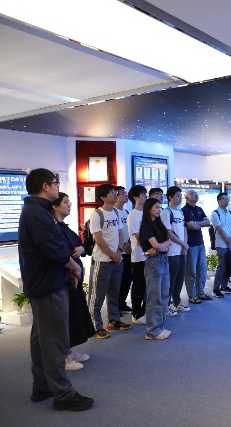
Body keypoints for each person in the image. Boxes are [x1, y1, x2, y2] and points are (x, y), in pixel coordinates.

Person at [18, 168, 94, 411]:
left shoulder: (37, 211)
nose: (57, 187)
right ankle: (63, 394)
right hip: (48, 285)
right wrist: (75, 267)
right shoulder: (37, 213)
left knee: (42, 338)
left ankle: (42, 386)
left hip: (46, 282)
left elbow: (55, 246)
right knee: (55, 341)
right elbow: (53, 248)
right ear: (45, 186)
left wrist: (69, 268)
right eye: (55, 183)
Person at [52, 192, 96, 371]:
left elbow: (82, 245)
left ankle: (68, 350)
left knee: (74, 315)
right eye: (65, 202)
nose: (69, 205)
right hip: (65, 278)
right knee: (64, 318)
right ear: (55, 206)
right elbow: (59, 253)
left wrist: (81, 248)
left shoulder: (65, 228)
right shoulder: (53, 228)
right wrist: (74, 269)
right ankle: (63, 356)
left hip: (74, 279)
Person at [87, 183, 131, 339]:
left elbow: (120, 233)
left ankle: (114, 321)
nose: (115, 194)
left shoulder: (116, 212)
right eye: (111, 192)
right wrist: (112, 254)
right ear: (103, 197)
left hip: (117, 259)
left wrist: (118, 251)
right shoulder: (97, 214)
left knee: (114, 292)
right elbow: (98, 239)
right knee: (96, 295)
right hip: (102, 260)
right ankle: (95, 326)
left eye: (115, 192)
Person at [139, 198, 173, 340]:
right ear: (149, 209)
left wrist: (160, 247)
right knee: (154, 298)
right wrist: (160, 247)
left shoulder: (159, 224)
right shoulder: (145, 225)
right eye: (156, 207)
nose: (159, 210)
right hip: (154, 263)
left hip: (163, 260)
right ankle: (152, 331)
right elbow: (156, 245)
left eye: (160, 207)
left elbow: (169, 241)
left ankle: (160, 327)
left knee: (164, 296)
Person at [160, 186, 191, 315]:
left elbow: (184, 229)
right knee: (170, 279)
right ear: (170, 197)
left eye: (180, 195)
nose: (180, 198)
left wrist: (185, 245)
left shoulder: (180, 212)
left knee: (180, 277)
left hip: (181, 250)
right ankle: (166, 305)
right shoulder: (166, 212)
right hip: (172, 251)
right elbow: (168, 233)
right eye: (178, 195)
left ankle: (177, 302)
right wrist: (183, 244)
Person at [182, 190, 212, 302]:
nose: (196, 195)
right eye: (193, 194)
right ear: (187, 197)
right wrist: (197, 224)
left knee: (202, 270)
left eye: (197, 194)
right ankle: (192, 295)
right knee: (191, 271)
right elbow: (192, 226)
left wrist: (195, 223)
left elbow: (208, 222)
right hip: (190, 244)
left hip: (200, 243)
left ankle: (201, 292)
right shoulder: (184, 210)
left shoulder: (199, 209)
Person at [127, 185, 148, 325]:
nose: (146, 197)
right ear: (135, 197)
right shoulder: (133, 215)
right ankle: (136, 313)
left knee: (147, 286)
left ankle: (145, 311)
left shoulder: (147, 213)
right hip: (139, 255)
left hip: (150, 255)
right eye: (143, 195)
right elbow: (138, 237)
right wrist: (153, 246)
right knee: (139, 285)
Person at [211, 192, 231, 297]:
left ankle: (224, 286)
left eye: (227, 199)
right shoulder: (215, 213)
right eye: (224, 199)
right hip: (221, 244)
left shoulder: (229, 213)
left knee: (228, 265)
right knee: (221, 266)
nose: (226, 201)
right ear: (218, 201)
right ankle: (215, 288)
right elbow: (220, 230)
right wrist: (228, 242)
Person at [114, 185, 132, 313]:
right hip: (117, 251)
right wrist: (122, 245)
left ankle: (122, 302)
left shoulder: (126, 212)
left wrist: (129, 242)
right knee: (117, 279)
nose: (126, 195)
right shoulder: (112, 212)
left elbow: (131, 230)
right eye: (123, 193)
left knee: (127, 277)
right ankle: (115, 305)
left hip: (128, 250)